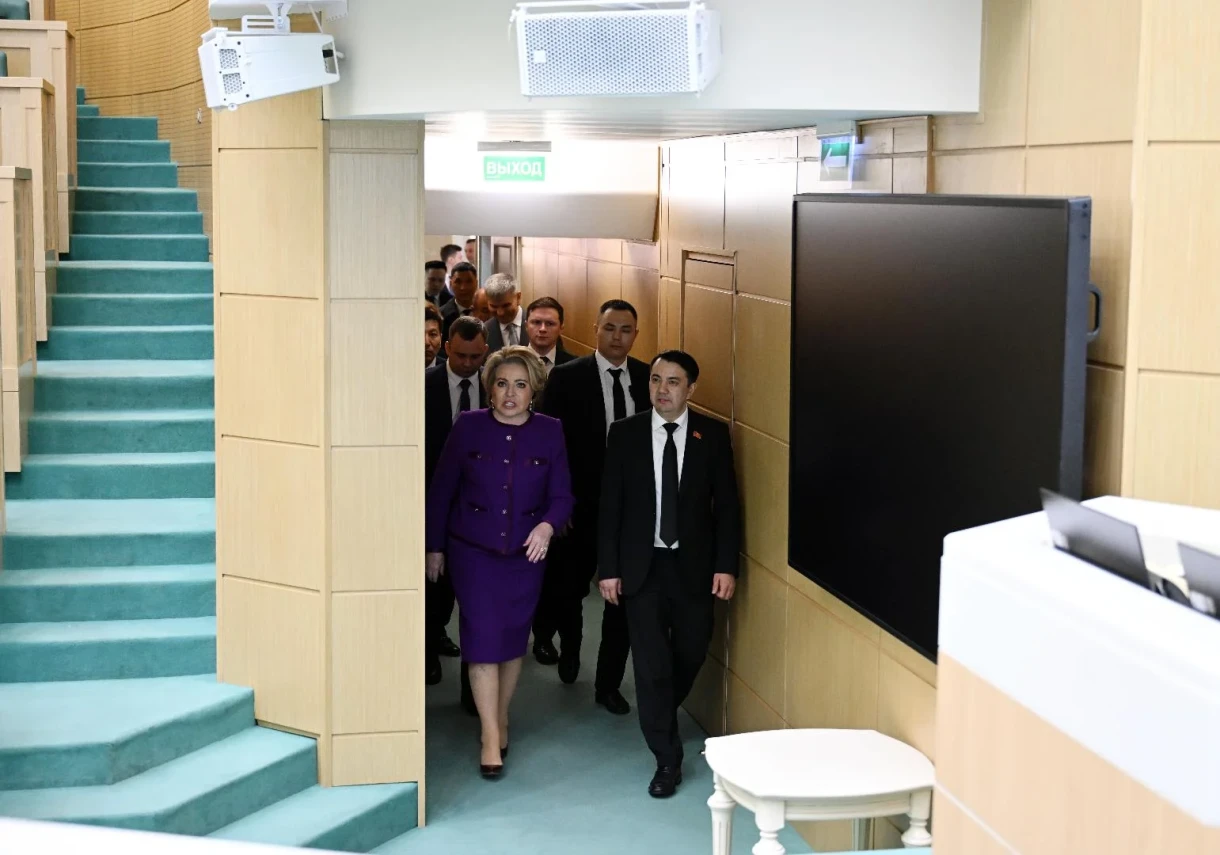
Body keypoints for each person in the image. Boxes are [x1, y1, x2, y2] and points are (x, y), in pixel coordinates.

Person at [598, 350, 741, 798]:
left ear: (690, 389)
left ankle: (657, 708)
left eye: (673, 382)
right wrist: (608, 569)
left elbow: (728, 507)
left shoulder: (711, 436)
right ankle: (666, 758)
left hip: (693, 567)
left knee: (691, 652)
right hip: (642, 568)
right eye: (656, 379)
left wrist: (726, 564)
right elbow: (610, 506)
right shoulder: (625, 433)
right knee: (651, 664)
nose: (662, 389)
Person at [426, 346, 573, 778]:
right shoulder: (468, 426)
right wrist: (434, 547)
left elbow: (562, 495)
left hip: (526, 555)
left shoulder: (550, 431)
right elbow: (441, 490)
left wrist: (547, 526)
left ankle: (500, 715)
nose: (511, 394)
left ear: (534, 390)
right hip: (473, 553)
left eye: (520, 385)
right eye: (502, 384)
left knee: (512, 641)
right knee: (482, 641)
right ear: (489, 389)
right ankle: (490, 736)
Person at [533, 299, 649, 715]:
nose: (617, 337)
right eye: (610, 328)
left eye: (626, 330)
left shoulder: (646, 377)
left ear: (635, 335)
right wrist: (555, 505)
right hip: (578, 505)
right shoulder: (567, 377)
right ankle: (570, 647)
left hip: (630, 511)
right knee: (570, 588)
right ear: (595, 329)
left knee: (622, 597)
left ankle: (608, 685)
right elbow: (549, 446)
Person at [424, 316, 490, 686]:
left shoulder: (494, 387)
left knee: (476, 600)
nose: (467, 363)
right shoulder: (423, 386)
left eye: (475, 357)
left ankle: (473, 683)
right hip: (433, 503)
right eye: (461, 355)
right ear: (448, 347)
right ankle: (428, 651)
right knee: (434, 590)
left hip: (479, 509)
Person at [524, 296, 573, 375]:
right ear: (526, 326)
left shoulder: (575, 366)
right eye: (537, 322)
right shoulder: (511, 362)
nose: (542, 329)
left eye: (550, 323)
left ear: (561, 328)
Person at [483, 273, 523, 351]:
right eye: (494, 306)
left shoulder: (539, 324)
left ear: (518, 297)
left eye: (506, 306)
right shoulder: (484, 332)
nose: (500, 313)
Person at [441, 262, 479, 341]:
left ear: (476, 283)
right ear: (451, 284)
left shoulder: (487, 311)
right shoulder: (441, 315)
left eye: (469, 281)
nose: (463, 287)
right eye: (458, 282)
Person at [424, 303, 445, 369]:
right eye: (419, 334)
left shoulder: (449, 371)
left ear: (441, 338)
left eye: (432, 334)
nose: (426, 342)